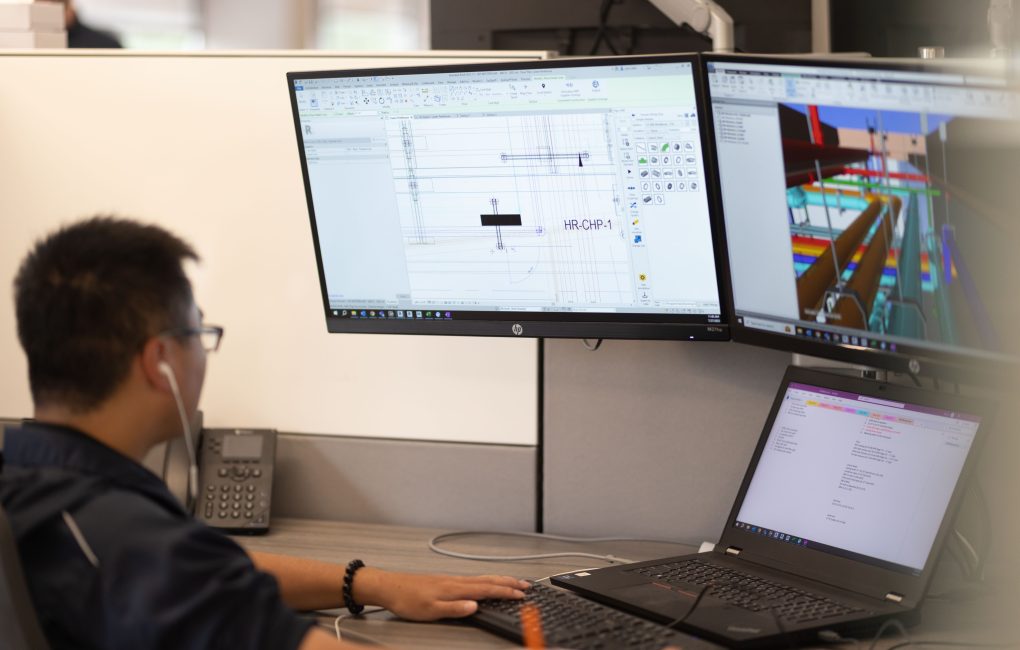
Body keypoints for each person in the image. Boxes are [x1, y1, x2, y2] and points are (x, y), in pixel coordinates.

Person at [0, 216, 529, 649]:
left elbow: (210, 565)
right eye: (199, 334)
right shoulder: (131, 543)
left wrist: (371, 584)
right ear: (158, 361)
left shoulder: (34, 482)